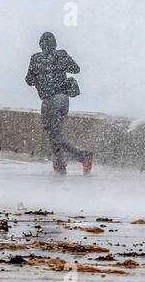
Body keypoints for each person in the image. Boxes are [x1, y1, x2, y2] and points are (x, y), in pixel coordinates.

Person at [25, 32, 94, 175]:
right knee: (56, 133)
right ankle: (59, 166)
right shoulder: (61, 55)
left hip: (49, 100)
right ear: (55, 44)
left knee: (54, 135)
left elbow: (29, 80)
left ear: (41, 45)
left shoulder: (36, 58)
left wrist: (41, 74)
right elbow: (76, 69)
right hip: (63, 99)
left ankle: (82, 157)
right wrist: (61, 64)